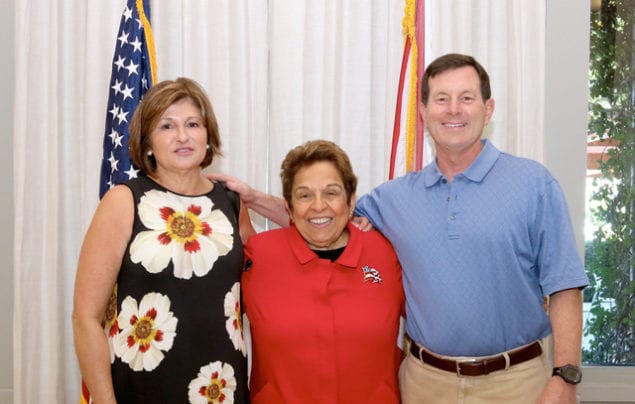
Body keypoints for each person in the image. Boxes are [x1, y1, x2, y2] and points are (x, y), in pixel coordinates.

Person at [211, 53, 590, 403]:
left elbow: (565, 286)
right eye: (441, 99)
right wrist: (253, 197)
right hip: (425, 382)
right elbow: (323, 217)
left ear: (488, 109)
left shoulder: (533, 183)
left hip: (517, 381)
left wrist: (565, 375)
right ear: (424, 112)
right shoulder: (395, 198)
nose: (453, 110)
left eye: (466, 98)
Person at [72, 77, 255, 403]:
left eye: (193, 124)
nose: (182, 136)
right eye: (167, 126)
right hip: (142, 388)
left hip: (220, 388)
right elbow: (85, 317)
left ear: (208, 136)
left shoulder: (231, 204)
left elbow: (267, 287)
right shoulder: (124, 201)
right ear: (147, 144)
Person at [241, 140, 404, 403]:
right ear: (289, 207)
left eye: (331, 193)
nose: (318, 206)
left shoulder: (387, 252)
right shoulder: (257, 256)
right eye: (304, 195)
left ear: (351, 201)